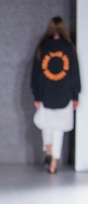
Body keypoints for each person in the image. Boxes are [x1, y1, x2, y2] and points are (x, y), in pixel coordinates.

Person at [31, 16, 81, 173]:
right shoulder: (69, 48)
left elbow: (36, 73)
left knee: (47, 126)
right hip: (64, 94)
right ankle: (53, 162)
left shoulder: (43, 47)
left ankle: (49, 152)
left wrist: (37, 95)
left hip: (46, 93)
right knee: (58, 129)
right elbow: (74, 73)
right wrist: (75, 95)